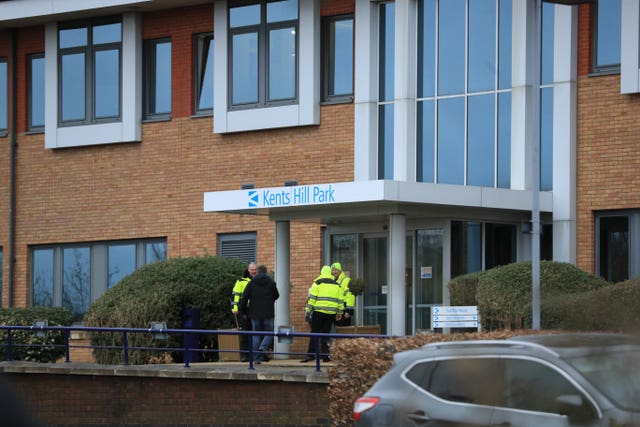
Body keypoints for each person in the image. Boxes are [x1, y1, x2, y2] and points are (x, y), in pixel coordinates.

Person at [301, 265, 344, 363]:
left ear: (321, 272)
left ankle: (310, 355)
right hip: (330, 314)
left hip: (318, 312)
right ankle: (325, 356)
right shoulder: (337, 285)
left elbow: (312, 299)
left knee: (314, 334)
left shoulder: (317, 283)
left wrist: (308, 311)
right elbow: (340, 301)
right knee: (325, 334)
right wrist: (339, 313)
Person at [239, 264, 279, 364]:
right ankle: (263, 347)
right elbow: (276, 295)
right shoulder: (271, 282)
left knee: (256, 334)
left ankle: (256, 358)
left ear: (258, 272)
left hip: (254, 314)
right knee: (269, 332)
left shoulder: (252, 282)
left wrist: (243, 312)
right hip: (268, 313)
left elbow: (244, 298)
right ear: (266, 272)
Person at [231, 262, 257, 362]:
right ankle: (244, 355)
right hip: (244, 310)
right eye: (252, 270)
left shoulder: (257, 280)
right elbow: (235, 295)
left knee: (255, 333)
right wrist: (234, 308)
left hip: (255, 310)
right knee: (245, 333)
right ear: (248, 270)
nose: (254, 272)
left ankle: (254, 355)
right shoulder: (241, 281)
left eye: (255, 270)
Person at [331, 262, 355, 327]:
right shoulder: (333, 281)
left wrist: (349, 311)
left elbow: (350, 295)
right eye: (332, 270)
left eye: (335, 269)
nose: (334, 272)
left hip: (344, 310)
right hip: (335, 310)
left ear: (340, 270)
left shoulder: (346, 280)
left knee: (344, 330)